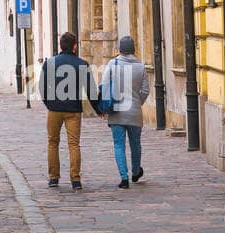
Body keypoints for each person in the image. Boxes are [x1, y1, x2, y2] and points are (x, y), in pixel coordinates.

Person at [38, 32, 98, 190]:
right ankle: (75, 179)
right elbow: (91, 91)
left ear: (60, 45)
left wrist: (49, 104)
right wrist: (99, 109)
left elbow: (42, 87)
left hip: (54, 109)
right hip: (73, 110)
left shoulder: (49, 63)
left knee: (52, 143)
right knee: (74, 144)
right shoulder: (82, 64)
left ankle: (53, 178)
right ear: (75, 46)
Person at [103, 36, 150, 188]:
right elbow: (145, 90)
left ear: (120, 50)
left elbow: (104, 86)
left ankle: (124, 178)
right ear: (133, 49)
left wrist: (104, 106)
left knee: (119, 145)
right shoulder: (141, 67)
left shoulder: (112, 64)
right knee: (136, 144)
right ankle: (136, 172)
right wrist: (137, 102)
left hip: (116, 112)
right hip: (135, 112)